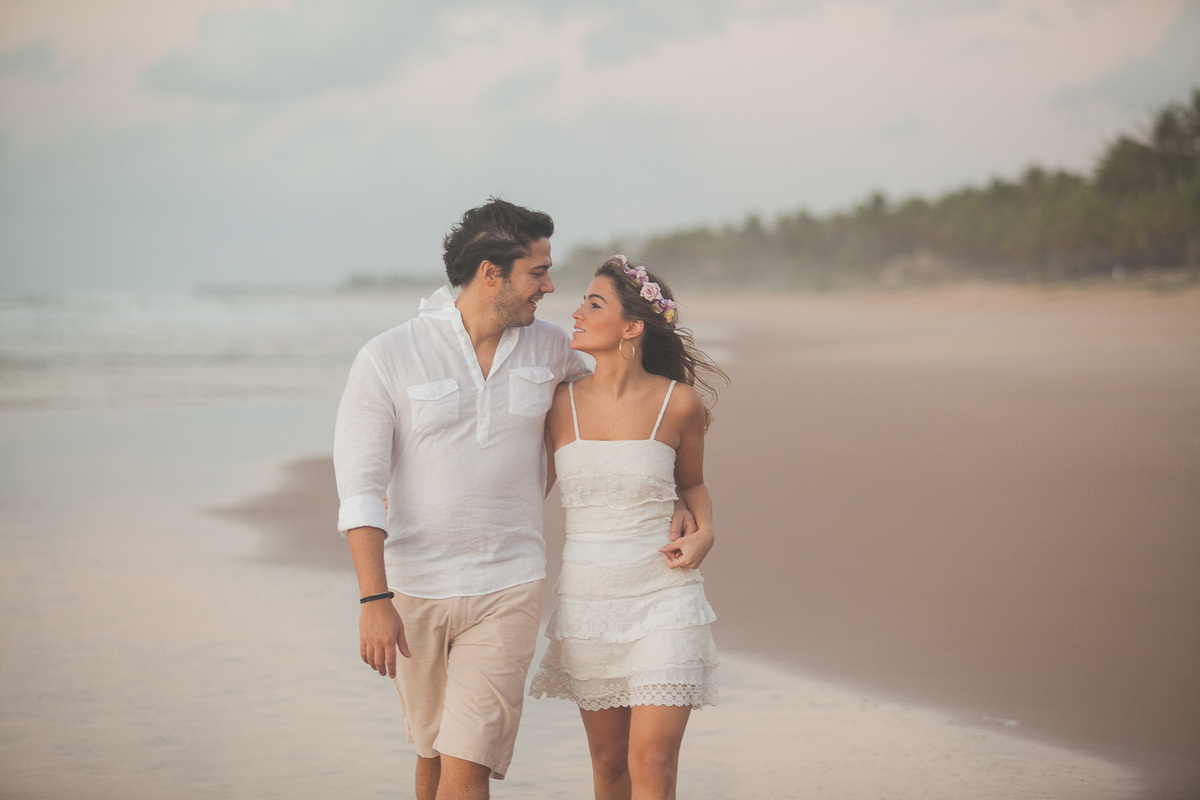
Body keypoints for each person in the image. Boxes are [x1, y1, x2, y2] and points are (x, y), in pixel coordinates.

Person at [333, 200, 694, 800]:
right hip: (413, 586)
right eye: (537, 272)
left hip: (508, 585)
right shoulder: (387, 357)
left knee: (468, 760)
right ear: (490, 272)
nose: (550, 288)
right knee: (432, 750)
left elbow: (631, 400)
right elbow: (361, 489)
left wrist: (675, 485)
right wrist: (374, 597)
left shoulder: (551, 348)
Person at [529, 255, 726, 800]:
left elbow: (694, 485)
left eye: (594, 304)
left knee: (653, 760)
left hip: (663, 595)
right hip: (590, 602)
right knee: (610, 763)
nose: (576, 311)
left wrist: (704, 529)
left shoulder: (677, 403)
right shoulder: (555, 404)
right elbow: (521, 490)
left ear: (632, 326)